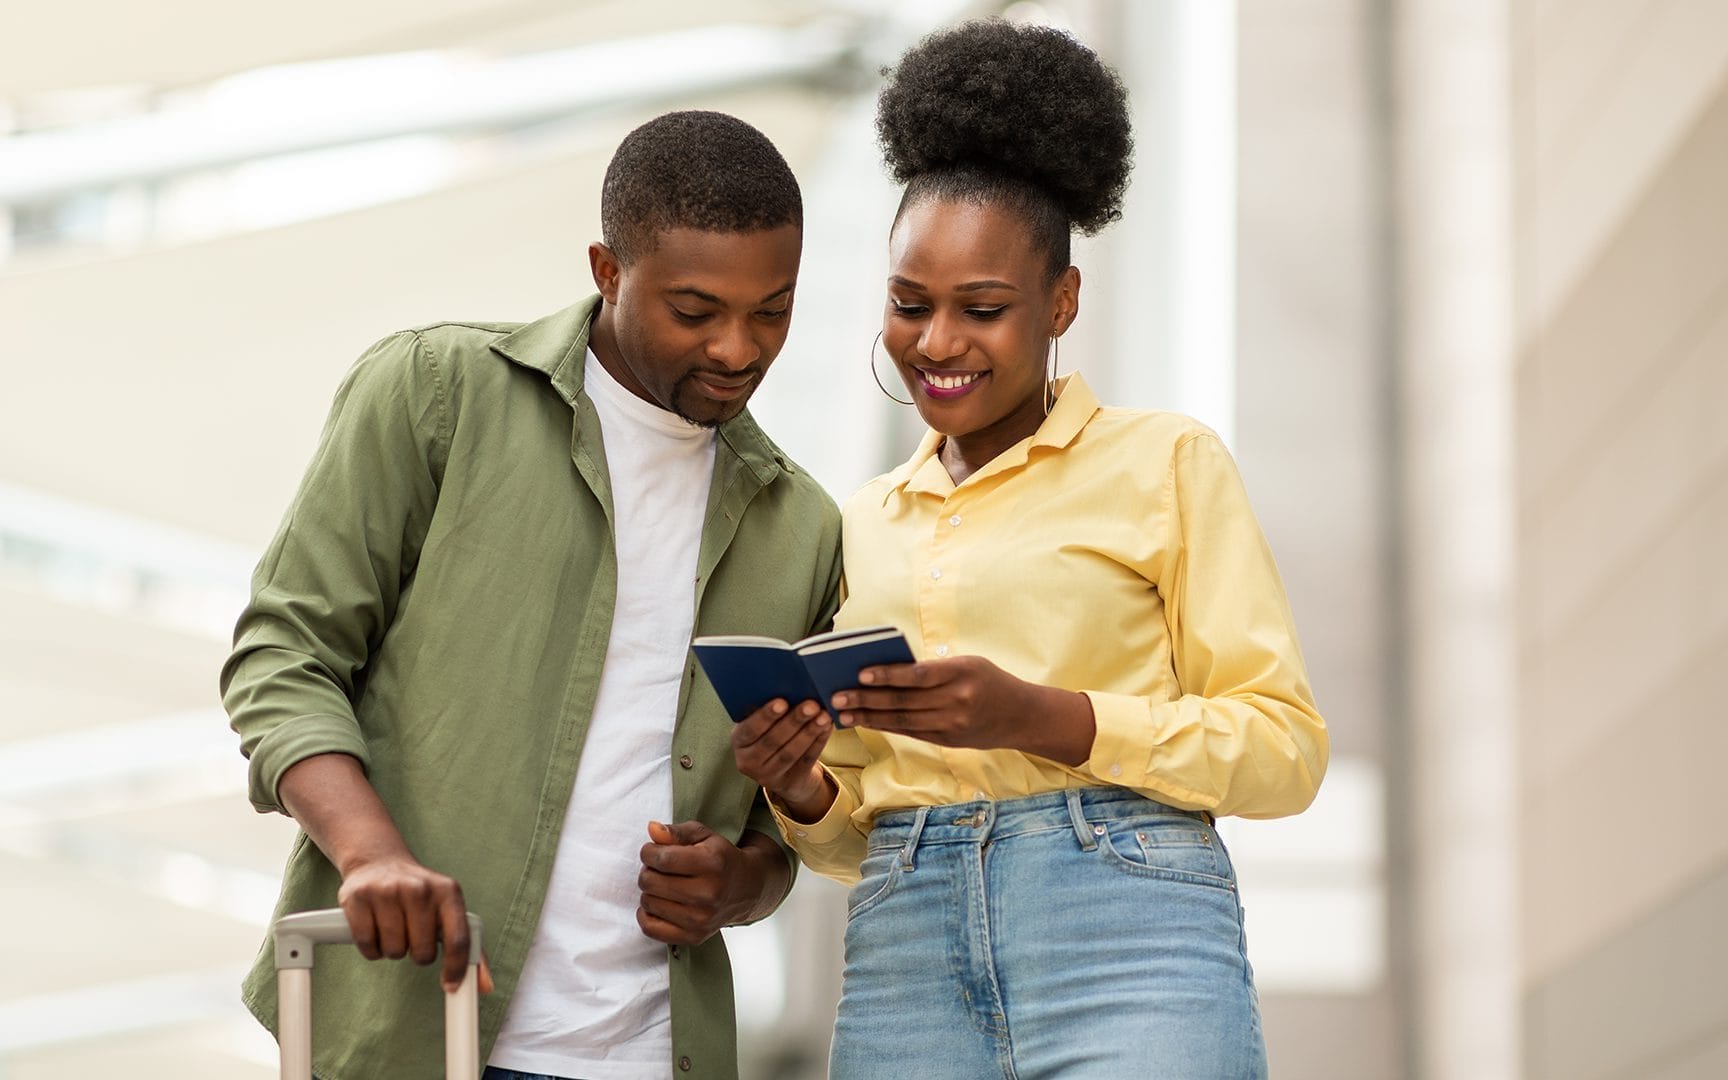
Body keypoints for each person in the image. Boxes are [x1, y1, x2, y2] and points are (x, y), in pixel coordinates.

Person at [730, 20, 1329, 1079]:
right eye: (910, 306)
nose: (939, 343)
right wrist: (805, 790)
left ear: (1061, 303)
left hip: (1129, 931)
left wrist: (1046, 718)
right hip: (905, 947)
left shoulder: (1165, 463)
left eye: (985, 309)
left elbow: (1283, 751)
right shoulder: (861, 518)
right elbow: (852, 827)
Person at [221, 110, 842, 1080]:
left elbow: (778, 838)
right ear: (607, 270)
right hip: (414, 1032)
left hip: (654, 1053)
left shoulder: (801, 526)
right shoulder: (435, 394)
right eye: (695, 310)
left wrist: (736, 887)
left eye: (773, 310)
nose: (737, 348)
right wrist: (370, 852)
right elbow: (282, 656)